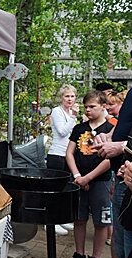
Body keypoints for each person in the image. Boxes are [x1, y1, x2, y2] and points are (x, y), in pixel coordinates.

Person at [90, 89, 132, 258]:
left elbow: (126, 142)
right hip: (123, 179)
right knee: (122, 249)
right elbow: (122, 129)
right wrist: (108, 138)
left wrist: (123, 147)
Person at [64, 90, 113, 258]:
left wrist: (88, 178)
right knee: (79, 218)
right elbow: (70, 153)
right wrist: (77, 175)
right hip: (78, 181)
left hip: (100, 182)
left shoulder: (110, 129)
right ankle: (79, 255)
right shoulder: (79, 128)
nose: (88, 110)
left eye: (92, 106)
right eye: (85, 107)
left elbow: (109, 160)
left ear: (103, 106)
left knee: (101, 222)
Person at [47, 84, 79, 234]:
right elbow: (61, 132)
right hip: (57, 154)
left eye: (72, 96)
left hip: (69, 155)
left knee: (66, 188)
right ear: (61, 97)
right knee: (55, 189)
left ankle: (61, 218)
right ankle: (50, 221)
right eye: (67, 96)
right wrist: (73, 117)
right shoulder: (56, 111)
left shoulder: (70, 113)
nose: (70, 99)